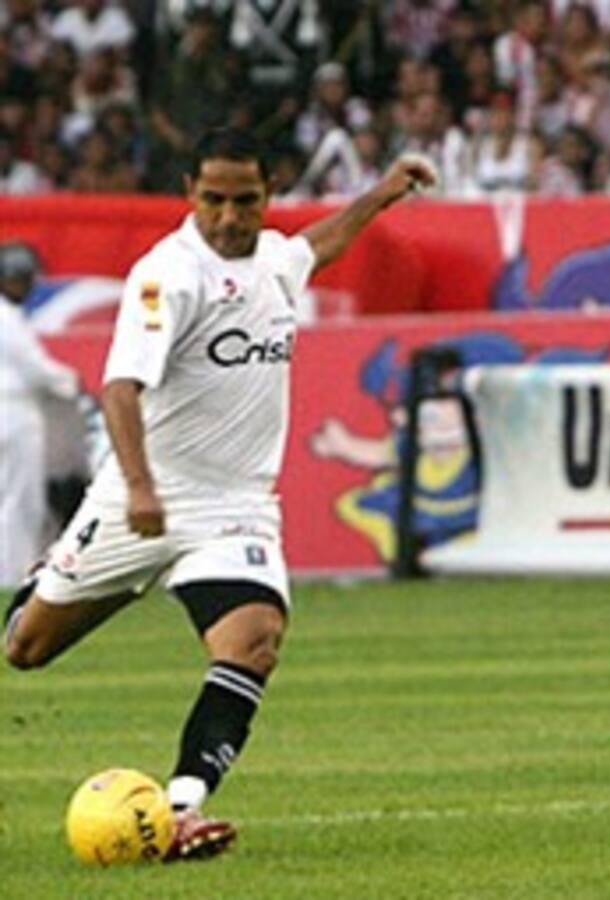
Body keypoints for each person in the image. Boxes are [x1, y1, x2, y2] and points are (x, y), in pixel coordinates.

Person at [3, 127, 436, 860]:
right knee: (24, 647)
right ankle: (84, 574)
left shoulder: (273, 258)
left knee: (254, 641)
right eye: (214, 200)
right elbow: (119, 389)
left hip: (233, 507)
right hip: (140, 499)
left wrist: (383, 193)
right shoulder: (166, 276)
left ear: (269, 195)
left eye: (246, 200)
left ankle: (178, 810)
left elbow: (314, 247)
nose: (230, 217)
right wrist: (139, 488)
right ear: (189, 195)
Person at [0, 242, 80, 586]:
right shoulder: (5, 315)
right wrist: (71, 383)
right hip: (13, 412)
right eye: (21, 279)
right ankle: (10, 576)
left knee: (13, 497)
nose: (26, 286)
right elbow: (34, 368)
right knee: (20, 500)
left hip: (14, 410)